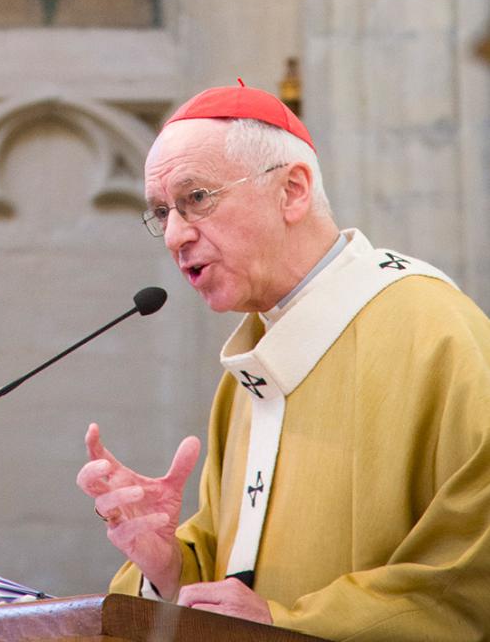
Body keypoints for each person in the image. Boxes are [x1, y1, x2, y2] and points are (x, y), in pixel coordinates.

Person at [78, 80, 490, 634]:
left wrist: (290, 623)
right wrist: (170, 567)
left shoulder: (432, 331)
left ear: (293, 191)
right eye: (161, 212)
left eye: (196, 198)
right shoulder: (252, 367)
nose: (175, 234)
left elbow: (471, 575)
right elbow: (240, 576)